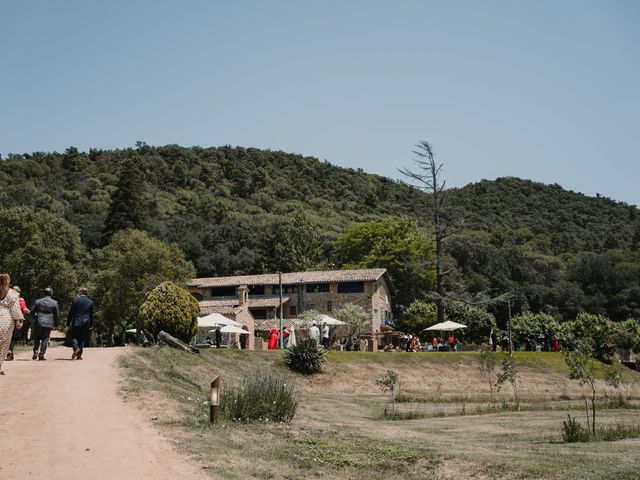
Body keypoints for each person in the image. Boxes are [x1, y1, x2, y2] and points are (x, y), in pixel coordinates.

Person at [0, 274, 24, 375]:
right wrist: (19, 320)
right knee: (4, 345)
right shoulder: (12, 293)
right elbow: (15, 310)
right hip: (5, 320)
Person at [31, 287, 59, 361]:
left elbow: (32, 311)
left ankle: (35, 352)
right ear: (51, 293)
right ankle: (41, 354)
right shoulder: (54, 303)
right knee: (45, 339)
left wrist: (35, 317)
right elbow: (56, 315)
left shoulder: (38, 301)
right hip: (49, 323)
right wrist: (56, 324)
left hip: (39, 322)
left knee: (37, 338)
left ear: (44, 293)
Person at [67, 287, 95, 360]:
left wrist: (68, 323)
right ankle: (79, 356)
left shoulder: (75, 300)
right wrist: (91, 325)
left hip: (76, 321)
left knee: (74, 337)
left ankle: (76, 348)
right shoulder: (90, 302)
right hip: (86, 323)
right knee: (82, 339)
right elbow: (92, 315)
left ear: (81, 292)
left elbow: (71, 313)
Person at [7, 286, 30, 361]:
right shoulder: (20, 300)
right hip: (17, 320)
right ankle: (10, 350)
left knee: (7, 336)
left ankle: (9, 351)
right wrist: (30, 312)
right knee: (14, 337)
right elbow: (24, 309)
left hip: (6, 319)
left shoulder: (6, 298)